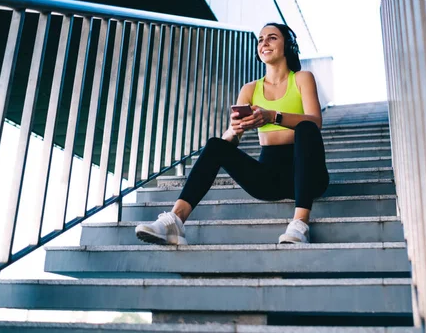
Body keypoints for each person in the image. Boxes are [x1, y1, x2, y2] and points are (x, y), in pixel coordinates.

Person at [135, 22, 329, 245]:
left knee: (306, 128)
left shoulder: (302, 78)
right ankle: (175, 221)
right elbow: (232, 141)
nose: (264, 42)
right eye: (261, 39)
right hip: (268, 178)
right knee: (216, 144)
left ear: (288, 45)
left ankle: (300, 224)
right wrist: (234, 130)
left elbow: (316, 122)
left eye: (272, 37)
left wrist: (272, 116)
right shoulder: (250, 89)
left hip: (309, 176)